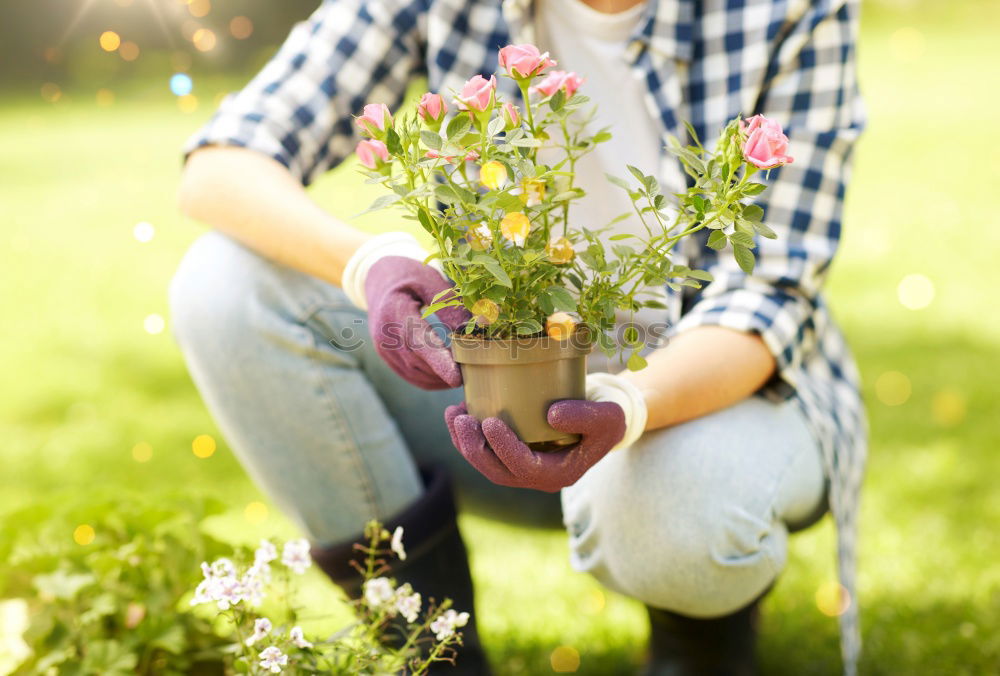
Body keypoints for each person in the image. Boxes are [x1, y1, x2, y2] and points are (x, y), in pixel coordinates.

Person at [171, 0, 867, 673]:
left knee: (677, 514)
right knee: (224, 285)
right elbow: (222, 163)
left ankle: (699, 646)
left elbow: (770, 292)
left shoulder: (791, 7)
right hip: (498, 401)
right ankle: (436, 657)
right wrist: (371, 265)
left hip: (712, 399)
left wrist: (628, 406)